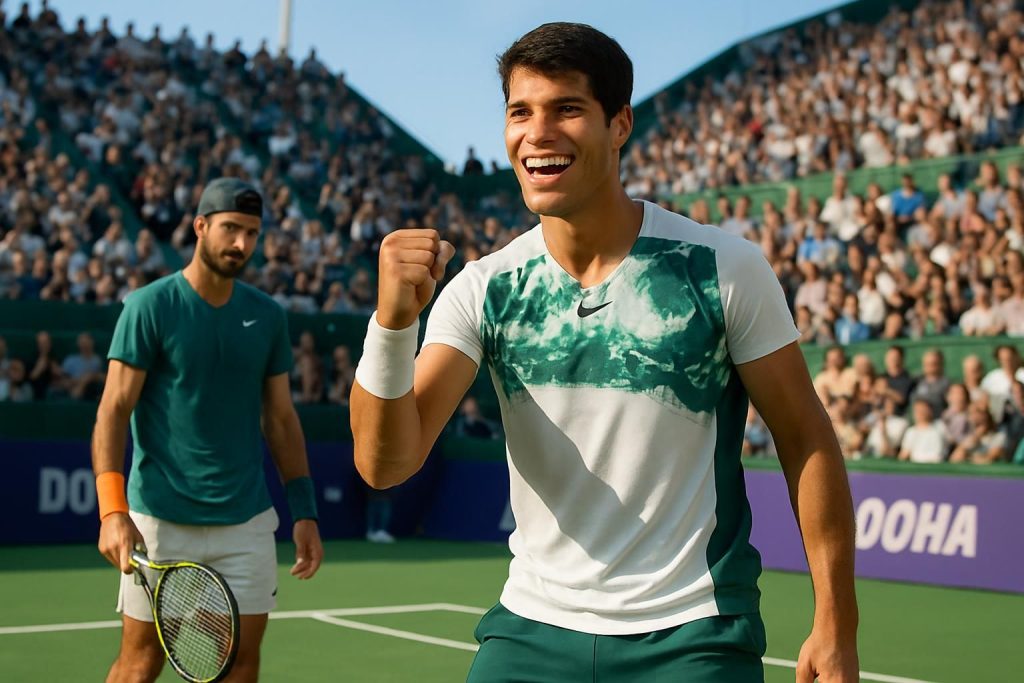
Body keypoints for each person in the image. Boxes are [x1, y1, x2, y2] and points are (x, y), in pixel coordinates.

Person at [351, 23, 858, 682]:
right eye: (520, 112)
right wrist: (392, 327)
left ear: (619, 124)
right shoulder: (483, 287)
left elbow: (806, 438)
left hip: (693, 632)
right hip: (530, 628)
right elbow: (384, 464)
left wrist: (836, 622)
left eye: (566, 108)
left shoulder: (722, 268)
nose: (538, 132)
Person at [92, 178, 324, 683]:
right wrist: (112, 511)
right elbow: (113, 410)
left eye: (252, 233)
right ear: (200, 227)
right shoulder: (149, 306)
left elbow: (281, 419)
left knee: (240, 664)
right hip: (159, 521)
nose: (241, 243)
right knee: (140, 664)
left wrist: (304, 511)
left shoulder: (267, 316)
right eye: (230, 229)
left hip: (246, 524)